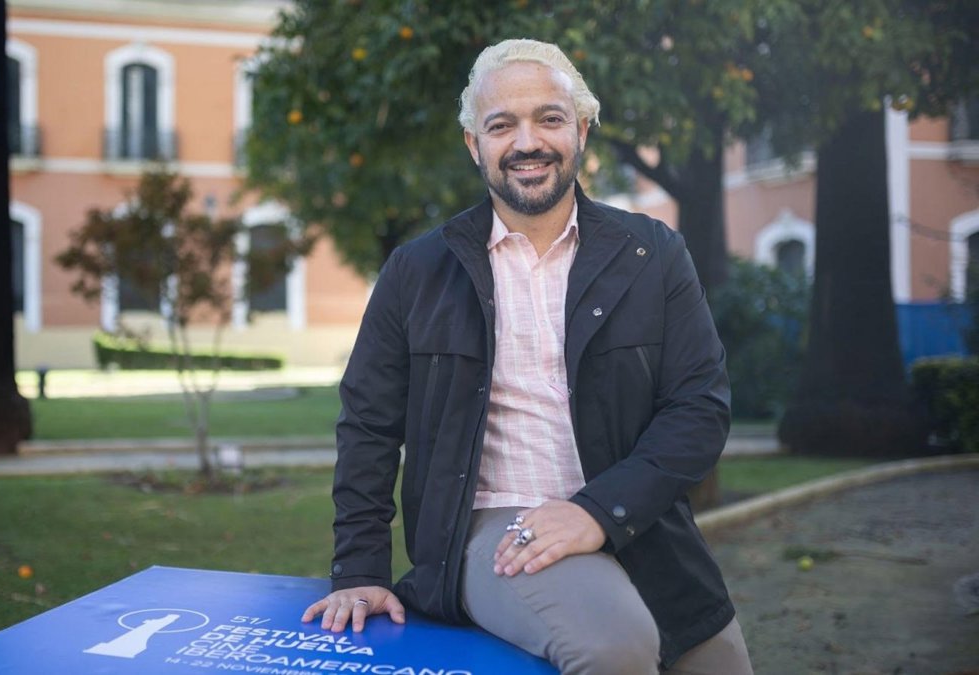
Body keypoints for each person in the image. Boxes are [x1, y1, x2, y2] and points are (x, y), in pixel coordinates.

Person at [302, 38, 753, 674]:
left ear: (582, 130)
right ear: (474, 144)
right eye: (501, 125)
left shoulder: (652, 254)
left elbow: (699, 409)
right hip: (494, 525)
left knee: (718, 661)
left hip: (637, 516)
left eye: (549, 118)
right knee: (613, 648)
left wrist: (598, 511)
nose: (527, 142)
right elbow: (368, 425)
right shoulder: (417, 271)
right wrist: (359, 568)